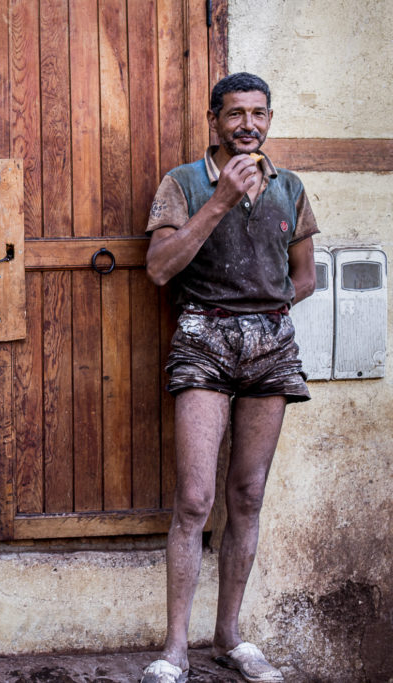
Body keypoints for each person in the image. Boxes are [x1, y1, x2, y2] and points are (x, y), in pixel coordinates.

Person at [140, 73, 318, 683]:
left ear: (269, 119)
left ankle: (230, 636)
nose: (248, 125)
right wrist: (219, 201)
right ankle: (174, 650)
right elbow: (159, 268)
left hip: (270, 345)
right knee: (195, 500)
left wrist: (262, 312)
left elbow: (304, 277)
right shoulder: (183, 183)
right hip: (203, 338)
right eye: (236, 113)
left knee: (247, 495)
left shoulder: (290, 188)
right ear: (214, 119)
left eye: (259, 113)